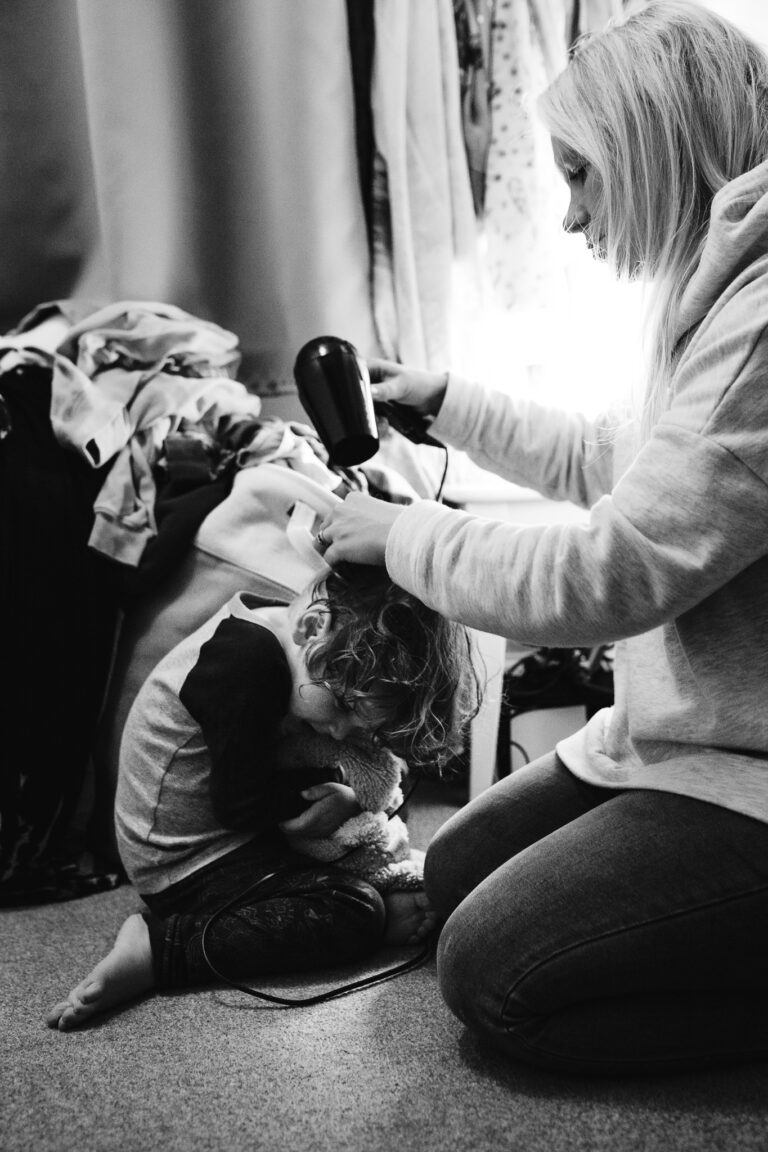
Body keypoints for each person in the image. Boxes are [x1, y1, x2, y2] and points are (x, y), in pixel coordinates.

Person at [312, 0, 768, 1075]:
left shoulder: (758, 322)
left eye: (580, 173)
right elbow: (619, 461)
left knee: (494, 979)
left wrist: (403, 534)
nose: (566, 216)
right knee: (456, 871)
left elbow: (617, 569)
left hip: (750, 766)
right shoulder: (713, 287)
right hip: (689, 740)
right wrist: (453, 403)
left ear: (657, 148)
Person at [46, 563, 477, 1031]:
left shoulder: (291, 646)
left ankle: (383, 898)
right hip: (181, 865)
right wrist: (344, 796)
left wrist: (357, 786)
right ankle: (160, 949)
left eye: (361, 726)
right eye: (342, 707)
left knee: (379, 858)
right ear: (312, 627)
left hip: (235, 835)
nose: (341, 731)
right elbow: (241, 804)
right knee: (353, 910)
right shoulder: (244, 664)